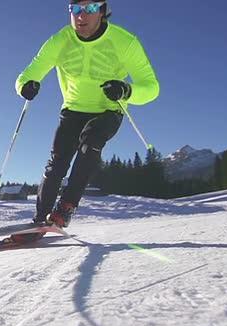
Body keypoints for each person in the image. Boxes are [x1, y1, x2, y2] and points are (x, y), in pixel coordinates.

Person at [16, 2, 159, 228]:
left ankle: (65, 208)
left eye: (90, 9)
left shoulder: (125, 42)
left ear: (102, 11)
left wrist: (126, 90)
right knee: (57, 163)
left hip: (108, 110)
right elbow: (28, 74)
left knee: (90, 141)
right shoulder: (60, 41)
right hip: (72, 110)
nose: (81, 16)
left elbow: (151, 88)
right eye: (75, 9)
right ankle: (40, 218)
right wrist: (26, 85)